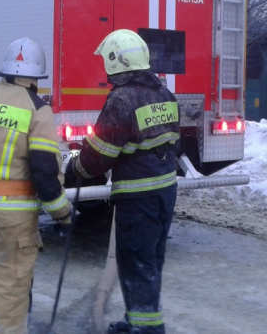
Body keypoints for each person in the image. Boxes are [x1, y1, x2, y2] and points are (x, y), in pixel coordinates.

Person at [0, 37, 72, 333]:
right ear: (36, 77)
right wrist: (63, 214)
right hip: (14, 220)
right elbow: (45, 171)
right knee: (10, 294)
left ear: (5, 71)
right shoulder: (37, 109)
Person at [66, 29, 180, 334]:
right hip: (165, 193)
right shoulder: (165, 94)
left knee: (136, 263)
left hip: (138, 197)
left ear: (116, 62)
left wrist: (76, 167)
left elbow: (98, 157)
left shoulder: (121, 100)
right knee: (151, 261)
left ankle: (146, 328)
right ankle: (139, 321)